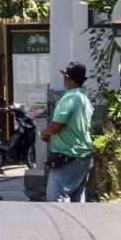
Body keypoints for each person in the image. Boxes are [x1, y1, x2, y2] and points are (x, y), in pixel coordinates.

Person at [40, 61, 94, 203]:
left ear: (69, 80)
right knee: (77, 197)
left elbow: (56, 125)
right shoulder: (84, 99)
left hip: (68, 155)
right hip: (84, 155)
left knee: (56, 197)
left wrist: (45, 133)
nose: (64, 80)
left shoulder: (69, 98)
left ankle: (63, 225)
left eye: (66, 77)